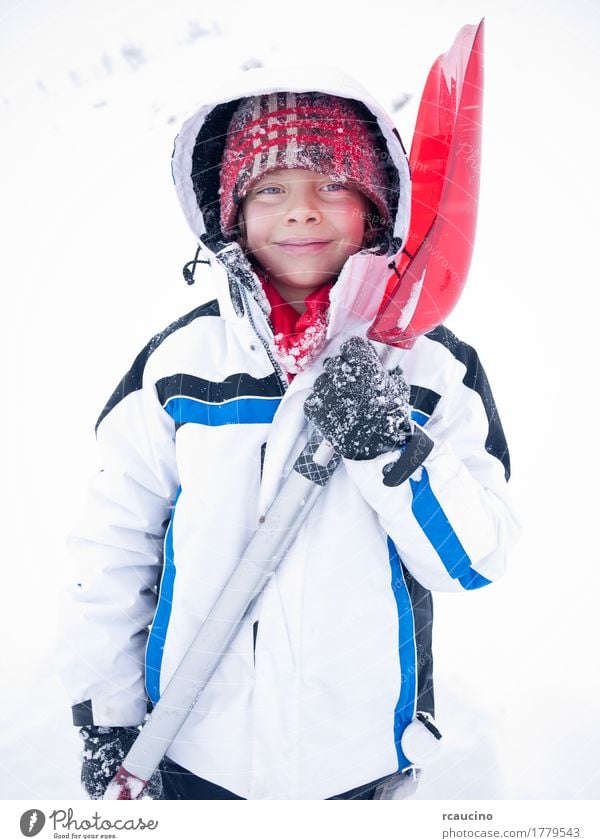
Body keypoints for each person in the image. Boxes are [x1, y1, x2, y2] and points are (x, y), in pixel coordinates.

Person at [60, 68, 520, 801]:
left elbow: (472, 558)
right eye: (270, 187)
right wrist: (109, 715)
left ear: (378, 206)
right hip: (189, 751)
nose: (302, 211)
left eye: (334, 184)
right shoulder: (182, 367)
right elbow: (113, 548)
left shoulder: (432, 369)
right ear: (230, 210)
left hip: (356, 764)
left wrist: (388, 442)